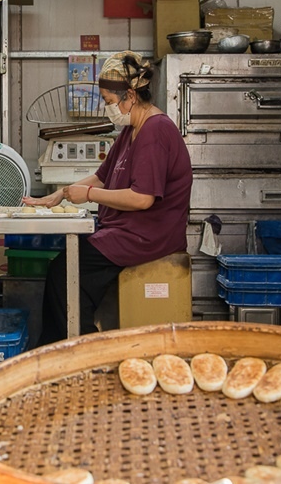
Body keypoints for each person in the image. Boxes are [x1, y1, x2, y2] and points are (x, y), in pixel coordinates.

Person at [23, 50, 193, 345]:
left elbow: (142, 199)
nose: (107, 109)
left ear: (130, 94)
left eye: (109, 101)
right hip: (125, 230)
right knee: (65, 267)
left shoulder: (156, 131)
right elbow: (103, 175)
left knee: (65, 272)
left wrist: (87, 195)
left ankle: (82, 351)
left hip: (148, 235)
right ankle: (61, 347)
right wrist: (60, 194)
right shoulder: (131, 130)